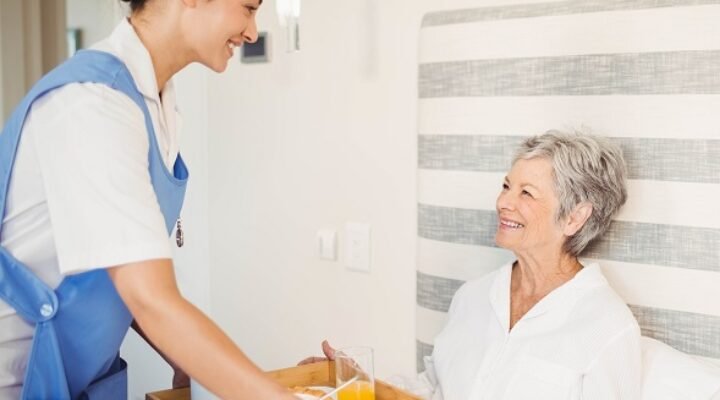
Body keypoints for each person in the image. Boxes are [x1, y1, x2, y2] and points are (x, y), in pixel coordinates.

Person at [0, 0, 295, 398]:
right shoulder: (92, 104)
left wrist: (181, 353)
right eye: (248, 7)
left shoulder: (156, 105)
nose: (252, 32)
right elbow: (151, 299)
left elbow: (115, 272)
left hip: (71, 374)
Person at [304, 130, 642, 399]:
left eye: (526, 193)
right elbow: (436, 387)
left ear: (574, 217)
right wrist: (358, 385)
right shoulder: (474, 297)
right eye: (506, 186)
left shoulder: (606, 326)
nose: (503, 202)